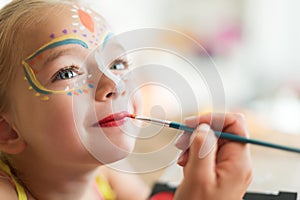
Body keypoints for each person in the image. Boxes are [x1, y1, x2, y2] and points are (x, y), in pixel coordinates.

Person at [0, 0, 252, 199]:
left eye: (117, 63)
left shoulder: (106, 175)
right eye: (67, 72)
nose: (114, 83)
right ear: (7, 130)